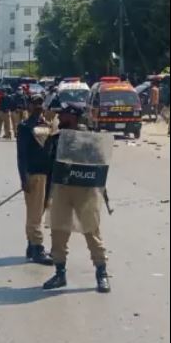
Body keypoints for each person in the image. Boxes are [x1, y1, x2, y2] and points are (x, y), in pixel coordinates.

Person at [42, 102, 111, 293]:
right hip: (61, 190)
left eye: (63, 115)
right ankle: (60, 273)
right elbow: (47, 164)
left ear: (73, 117)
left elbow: (100, 166)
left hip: (85, 191)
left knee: (91, 231)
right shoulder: (56, 139)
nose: (59, 118)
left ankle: (101, 273)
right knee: (58, 231)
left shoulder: (89, 139)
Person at [16, 93, 54, 265]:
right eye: (35, 103)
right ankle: (38, 247)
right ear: (29, 106)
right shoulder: (25, 127)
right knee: (35, 213)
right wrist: (23, 177)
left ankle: (31, 245)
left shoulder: (48, 125)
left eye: (40, 102)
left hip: (48, 174)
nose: (38, 105)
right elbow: (21, 155)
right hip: (34, 174)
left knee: (40, 211)